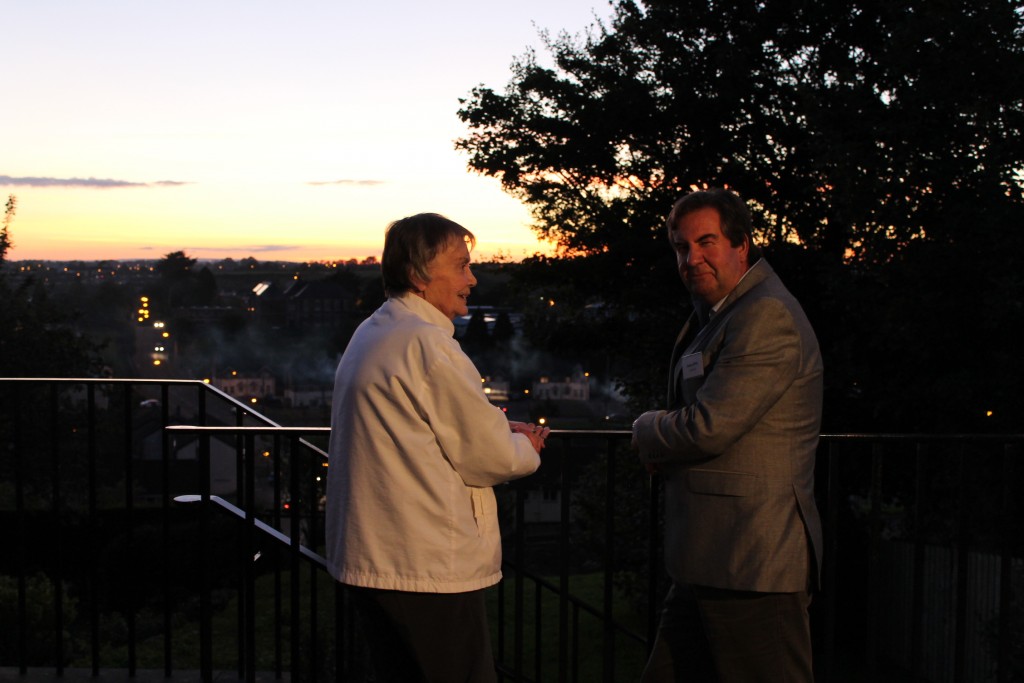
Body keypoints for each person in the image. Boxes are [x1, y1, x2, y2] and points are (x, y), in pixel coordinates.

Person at [324, 212, 548, 683]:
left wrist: (499, 435)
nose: (473, 278)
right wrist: (526, 445)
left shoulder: (372, 333)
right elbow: (489, 456)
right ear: (418, 276)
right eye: (462, 266)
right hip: (426, 565)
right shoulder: (430, 347)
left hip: (373, 557)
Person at [632, 188, 824, 682]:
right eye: (681, 247)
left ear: (741, 245)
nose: (691, 258)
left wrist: (646, 429)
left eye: (706, 242)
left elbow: (710, 426)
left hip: (752, 561)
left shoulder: (766, 316)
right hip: (712, 558)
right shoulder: (723, 313)